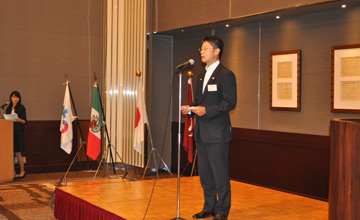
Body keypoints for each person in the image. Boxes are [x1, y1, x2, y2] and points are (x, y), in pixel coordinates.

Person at [181, 36, 237, 220]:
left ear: (217, 51)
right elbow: (200, 102)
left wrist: (207, 110)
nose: (201, 52)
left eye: (205, 48)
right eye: (201, 49)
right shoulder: (200, 76)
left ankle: (222, 210)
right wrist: (190, 109)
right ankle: (209, 207)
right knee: (205, 174)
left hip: (218, 134)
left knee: (220, 173)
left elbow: (230, 102)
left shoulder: (226, 74)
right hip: (202, 133)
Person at [6, 91, 27, 179]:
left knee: (18, 153)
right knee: (10, 153)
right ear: (11, 98)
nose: (15, 99)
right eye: (14, 97)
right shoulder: (8, 108)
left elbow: (25, 121)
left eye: (17, 97)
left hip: (18, 132)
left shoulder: (21, 108)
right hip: (10, 132)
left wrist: (19, 120)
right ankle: (13, 172)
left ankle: (22, 171)